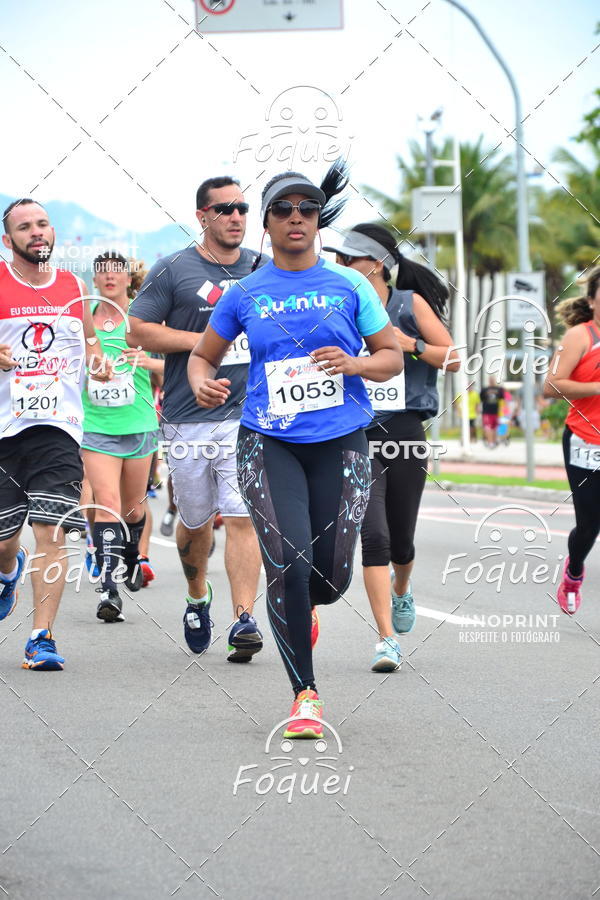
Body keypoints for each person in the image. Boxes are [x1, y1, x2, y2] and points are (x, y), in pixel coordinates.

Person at [188, 163, 403, 737]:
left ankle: (305, 600)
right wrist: (201, 378)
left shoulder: (350, 284)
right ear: (267, 224)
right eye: (283, 210)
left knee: (330, 578)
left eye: (307, 209)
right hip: (268, 441)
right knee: (288, 564)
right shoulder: (246, 292)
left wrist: (356, 363)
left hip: (341, 441)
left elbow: (391, 356)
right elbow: (203, 354)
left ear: (318, 219)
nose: (296, 218)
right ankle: (304, 696)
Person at [128, 176, 263, 661]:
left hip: (249, 416)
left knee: (241, 515)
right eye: (225, 209)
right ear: (202, 216)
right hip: (189, 417)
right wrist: (204, 342)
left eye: (243, 208)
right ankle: (196, 595)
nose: (236, 217)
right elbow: (137, 330)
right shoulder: (174, 270)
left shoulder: (262, 268)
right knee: (195, 520)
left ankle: (244, 618)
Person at [324, 224, 459, 670]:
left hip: (404, 433)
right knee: (374, 536)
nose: (340, 267)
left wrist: (411, 345)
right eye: (338, 261)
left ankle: (403, 588)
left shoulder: (408, 304)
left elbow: (455, 356)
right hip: (356, 432)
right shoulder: (339, 308)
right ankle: (386, 639)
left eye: (349, 260)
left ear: (376, 265)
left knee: (401, 540)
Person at [0, 198, 109, 669]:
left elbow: (89, 344)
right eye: (25, 227)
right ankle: (8, 571)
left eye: (42, 223)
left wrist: (100, 361)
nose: (36, 232)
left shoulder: (72, 286)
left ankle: (41, 636)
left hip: (58, 428)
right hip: (5, 431)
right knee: (6, 539)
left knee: (52, 528)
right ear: (9, 241)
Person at [81, 252, 163, 622]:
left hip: (140, 423)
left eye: (117, 271)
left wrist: (148, 361)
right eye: (102, 272)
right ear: (95, 280)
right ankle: (109, 587)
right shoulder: (85, 322)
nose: (109, 276)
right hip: (96, 426)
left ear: (130, 278)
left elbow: (180, 363)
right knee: (106, 503)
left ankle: (132, 554)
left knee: (132, 507)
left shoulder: (144, 320)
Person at [544, 266, 600, 615]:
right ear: (592, 301)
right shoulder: (582, 336)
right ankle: (574, 572)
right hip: (585, 439)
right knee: (591, 523)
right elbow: (551, 386)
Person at [480, 376, 504, 447]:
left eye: (493, 379)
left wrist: (502, 410)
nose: (491, 381)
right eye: (490, 379)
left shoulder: (499, 389)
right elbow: (481, 399)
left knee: (495, 427)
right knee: (488, 427)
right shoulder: (484, 389)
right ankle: (490, 442)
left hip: (496, 411)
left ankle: (494, 441)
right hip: (487, 411)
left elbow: (502, 400)